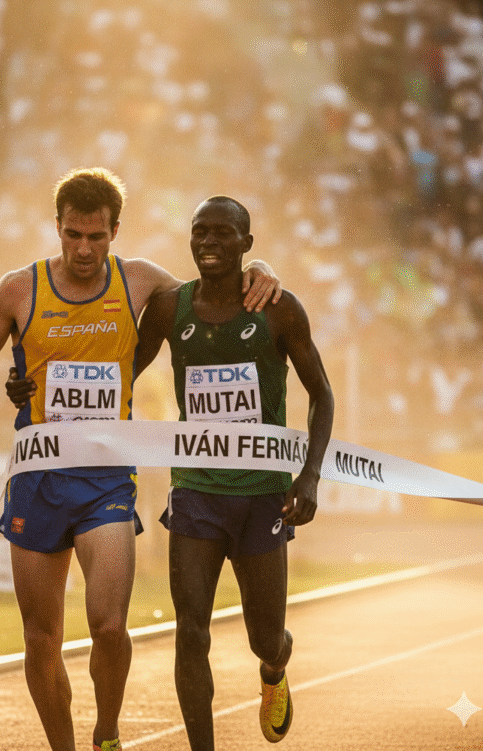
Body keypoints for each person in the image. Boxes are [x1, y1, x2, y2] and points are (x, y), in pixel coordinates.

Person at [0, 167, 281, 751]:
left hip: (106, 481)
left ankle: (107, 734)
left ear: (115, 231)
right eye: (73, 235)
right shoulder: (18, 290)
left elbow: (214, 293)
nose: (84, 249)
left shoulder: (139, 281)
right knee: (41, 640)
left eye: (96, 236)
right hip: (39, 477)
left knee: (110, 627)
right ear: (57, 228)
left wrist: (261, 269)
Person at [133, 196, 335, 749]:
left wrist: (309, 476)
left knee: (265, 638)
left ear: (247, 243)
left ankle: (274, 669)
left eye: (223, 233)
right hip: (195, 492)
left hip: (262, 495)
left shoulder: (278, 310)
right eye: (199, 231)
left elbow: (321, 394)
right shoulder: (169, 309)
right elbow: (118, 374)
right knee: (190, 632)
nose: (208, 242)